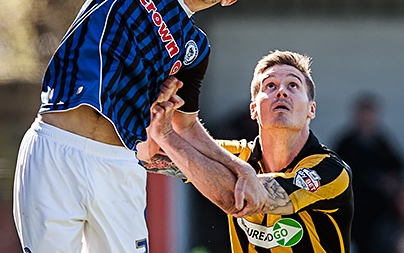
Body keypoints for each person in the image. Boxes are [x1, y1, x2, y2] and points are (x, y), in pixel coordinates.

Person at [12, 0, 264, 253]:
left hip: (119, 166)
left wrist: (242, 170)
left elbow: (185, 129)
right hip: (55, 147)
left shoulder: (195, 49)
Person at [147, 50, 353, 252]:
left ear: (312, 109)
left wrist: (168, 136)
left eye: (293, 85)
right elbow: (149, 155)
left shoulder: (330, 172)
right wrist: (152, 109)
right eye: (270, 85)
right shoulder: (234, 156)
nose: (281, 91)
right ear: (253, 109)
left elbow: (244, 197)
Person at [334, 93, 403, 253]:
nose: (367, 118)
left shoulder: (383, 143)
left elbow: (398, 167)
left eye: (370, 114)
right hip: (352, 206)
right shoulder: (346, 143)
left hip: (378, 209)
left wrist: (390, 181)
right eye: (363, 114)